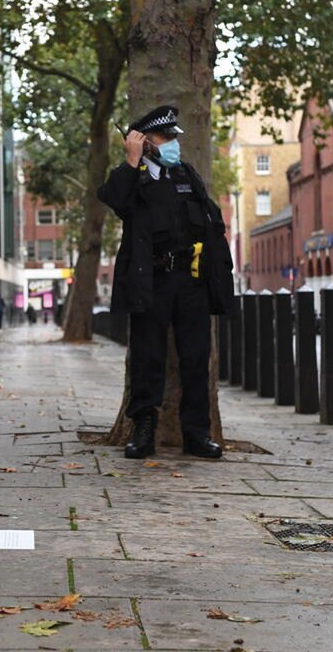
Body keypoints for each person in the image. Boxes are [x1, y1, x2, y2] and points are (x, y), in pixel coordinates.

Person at [97, 105, 233, 460]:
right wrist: (131, 160)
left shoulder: (185, 174)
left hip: (190, 282)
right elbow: (114, 199)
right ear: (145, 141)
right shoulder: (134, 177)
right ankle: (143, 432)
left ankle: (197, 434)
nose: (173, 142)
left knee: (195, 358)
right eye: (165, 136)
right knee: (147, 359)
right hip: (152, 282)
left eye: (174, 135)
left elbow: (210, 223)